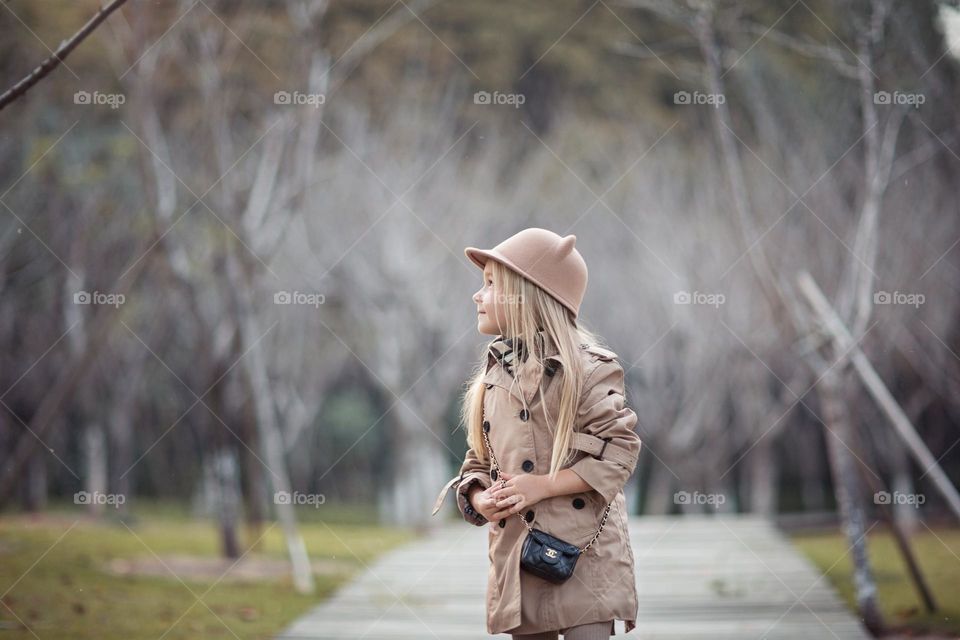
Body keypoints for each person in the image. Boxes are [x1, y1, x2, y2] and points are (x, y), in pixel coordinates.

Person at [431, 227, 643, 639]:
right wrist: (480, 497)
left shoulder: (589, 369)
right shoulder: (492, 380)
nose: (477, 295)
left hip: (587, 557)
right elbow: (478, 462)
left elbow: (619, 451)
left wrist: (542, 486)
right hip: (520, 558)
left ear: (528, 295)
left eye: (491, 284)